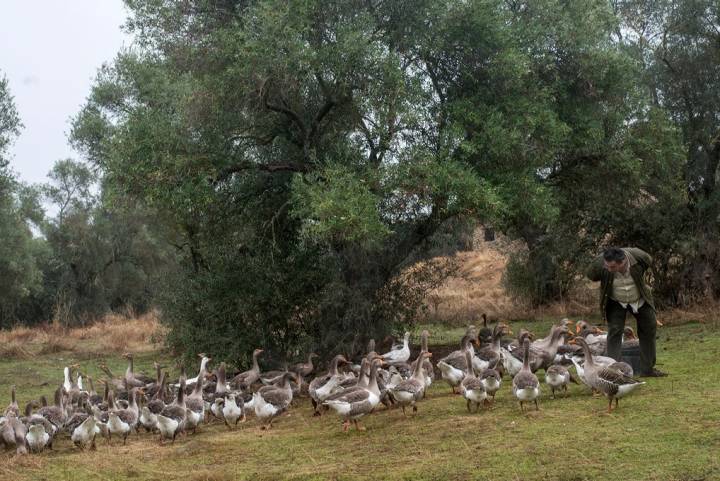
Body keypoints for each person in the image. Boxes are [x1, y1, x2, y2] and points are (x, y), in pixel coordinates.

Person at [586, 247, 667, 377]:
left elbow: (649, 261)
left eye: (611, 266)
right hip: (616, 301)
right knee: (615, 332)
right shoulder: (603, 265)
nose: (608, 268)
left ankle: (647, 369)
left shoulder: (638, 257)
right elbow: (590, 275)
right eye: (606, 265)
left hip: (639, 299)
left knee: (649, 327)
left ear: (623, 262)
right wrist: (602, 259)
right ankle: (615, 371)